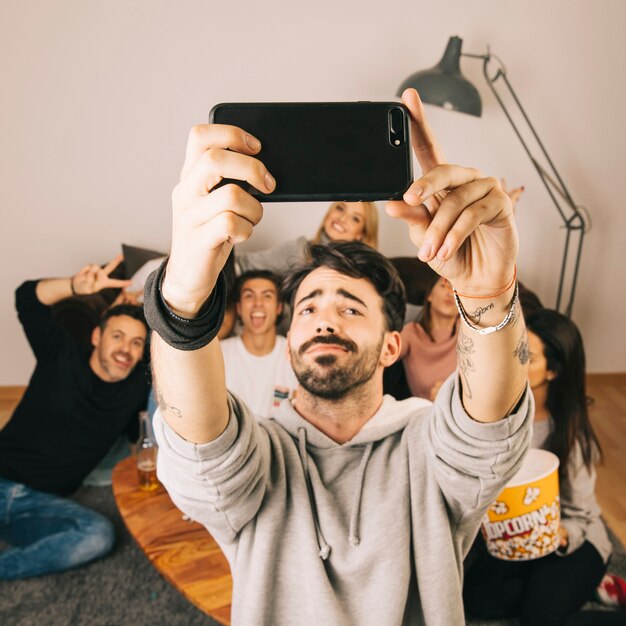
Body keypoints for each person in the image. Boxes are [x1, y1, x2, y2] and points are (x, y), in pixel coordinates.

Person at [144, 88, 532, 625]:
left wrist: (488, 293)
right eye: (307, 309)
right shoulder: (260, 455)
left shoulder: (428, 446)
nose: (324, 319)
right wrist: (183, 296)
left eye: (350, 308)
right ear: (289, 340)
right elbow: (199, 451)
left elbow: (489, 434)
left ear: (392, 345)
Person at [463, 309, 617, 626]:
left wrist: (558, 535)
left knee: (540, 618)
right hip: (514, 534)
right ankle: (580, 588)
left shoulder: (569, 432)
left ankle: (594, 587)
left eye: (527, 356)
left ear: (553, 371)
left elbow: (582, 514)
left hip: (572, 539)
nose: (513, 361)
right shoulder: (491, 409)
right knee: (479, 601)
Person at [0, 257, 149, 579]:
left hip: (40, 504)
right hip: (1, 475)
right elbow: (26, 298)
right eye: (118, 336)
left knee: (97, 535)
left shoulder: (136, 387)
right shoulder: (61, 356)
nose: (126, 349)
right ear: (97, 337)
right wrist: (74, 286)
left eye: (137, 343)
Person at [220, 270, 297, 417]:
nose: (258, 304)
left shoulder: (295, 354)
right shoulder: (219, 353)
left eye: (267, 296)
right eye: (249, 296)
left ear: (278, 308)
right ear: (239, 308)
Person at [234, 200, 379, 276]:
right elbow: (242, 265)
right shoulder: (299, 250)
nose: (342, 218)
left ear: (362, 234)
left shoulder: (368, 270)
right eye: (340, 208)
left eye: (355, 218)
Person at [400, 275, 459, 401]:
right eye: (444, 286)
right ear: (429, 296)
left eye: (457, 289)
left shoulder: (470, 331)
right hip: (428, 414)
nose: (451, 293)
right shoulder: (412, 333)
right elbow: (381, 351)